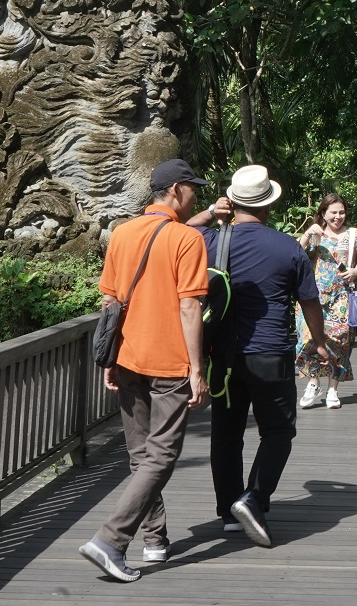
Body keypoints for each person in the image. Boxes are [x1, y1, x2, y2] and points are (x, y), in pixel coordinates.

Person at [78, 159, 212, 583]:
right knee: (162, 455)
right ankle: (111, 539)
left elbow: (109, 302)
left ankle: (154, 539)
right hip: (169, 363)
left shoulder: (122, 233)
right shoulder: (186, 238)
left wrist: (109, 359)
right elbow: (190, 306)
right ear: (175, 190)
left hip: (128, 359)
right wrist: (197, 369)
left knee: (141, 455)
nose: (196, 196)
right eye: (193, 188)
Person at [202, 164, 332, 548]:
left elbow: (176, 230)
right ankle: (254, 498)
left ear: (233, 202)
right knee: (278, 430)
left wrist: (209, 212)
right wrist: (319, 341)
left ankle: (229, 513)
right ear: (268, 205)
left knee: (226, 434)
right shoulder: (288, 247)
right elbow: (309, 301)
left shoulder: (210, 241)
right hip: (271, 354)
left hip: (223, 356)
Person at [296, 193, 357, 409]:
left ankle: (332, 389)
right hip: (312, 298)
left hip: (341, 297)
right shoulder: (315, 234)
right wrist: (308, 233)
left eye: (341, 212)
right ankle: (313, 383)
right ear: (323, 213)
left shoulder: (354, 235)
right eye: (333, 212)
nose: (338, 217)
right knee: (308, 339)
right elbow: (295, 254)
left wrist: (356, 270)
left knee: (339, 342)